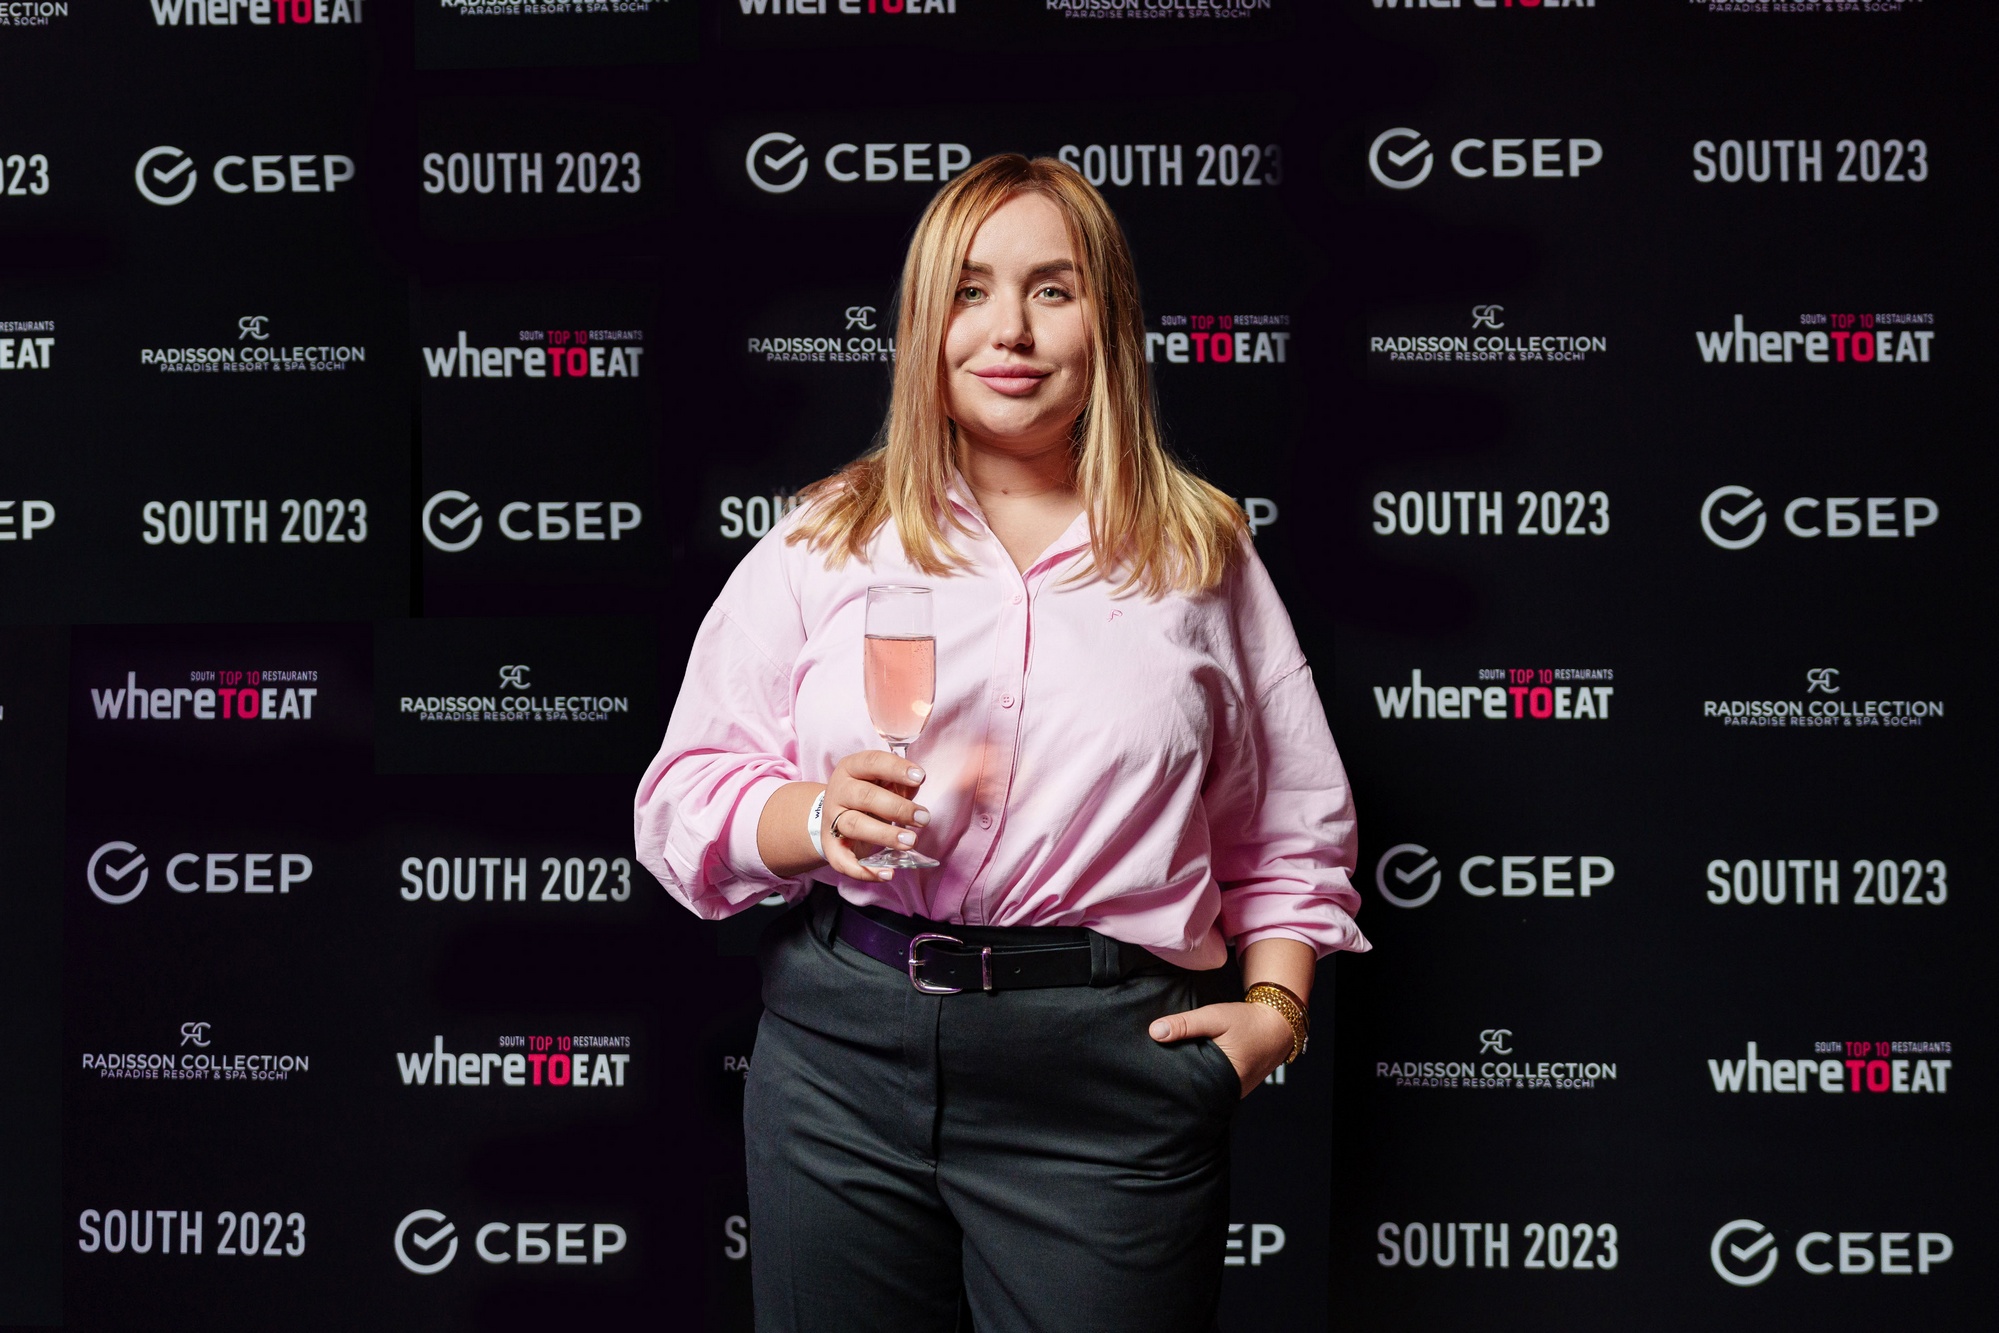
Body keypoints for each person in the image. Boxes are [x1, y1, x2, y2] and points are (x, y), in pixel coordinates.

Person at [635, 154, 1365, 1333]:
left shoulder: (1200, 551)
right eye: (969, 291)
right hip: (842, 1060)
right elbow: (682, 796)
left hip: (1106, 1073)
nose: (1009, 330)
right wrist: (815, 816)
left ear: (1105, 321)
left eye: (1051, 289)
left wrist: (1274, 1014)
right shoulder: (827, 536)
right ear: (925, 324)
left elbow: (1290, 828)